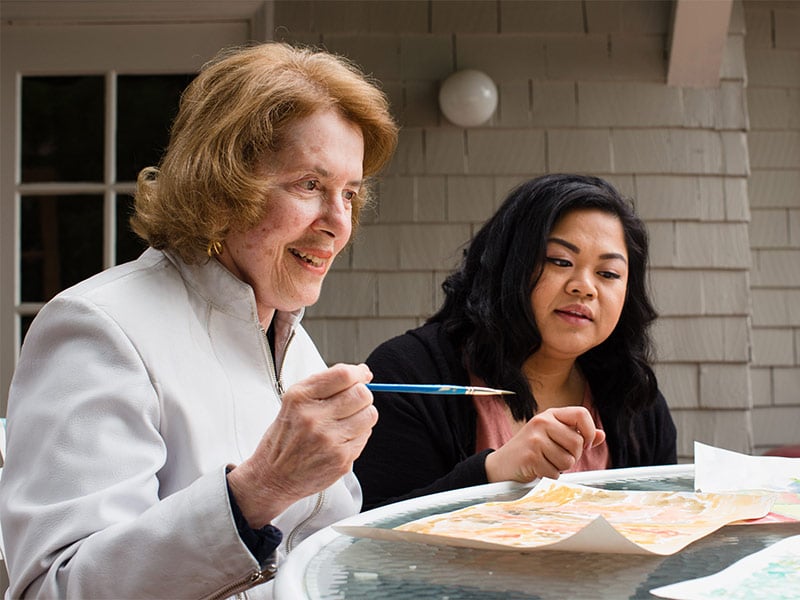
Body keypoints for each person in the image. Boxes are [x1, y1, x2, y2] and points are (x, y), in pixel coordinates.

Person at [0, 42, 397, 598]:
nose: (338, 222)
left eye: (349, 193)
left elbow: (321, 555)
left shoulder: (291, 338)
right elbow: (53, 587)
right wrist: (259, 491)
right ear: (222, 184)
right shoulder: (98, 327)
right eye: (310, 185)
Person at [354, 173, 677, 511]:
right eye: (560, 261)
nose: (584, 287)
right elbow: (370, 531)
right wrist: (492, 472)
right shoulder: (410, 374)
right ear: (509, 264)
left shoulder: (637, 404)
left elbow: (663, 526)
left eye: (608, 274)